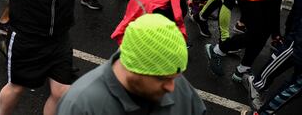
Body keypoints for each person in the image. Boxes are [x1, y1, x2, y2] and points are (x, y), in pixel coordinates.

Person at [57, 14, 206, 115]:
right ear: (134, 69)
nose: (172, 87)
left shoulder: (177, 85)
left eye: (175, 77)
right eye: (162, 79)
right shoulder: (82, 106)